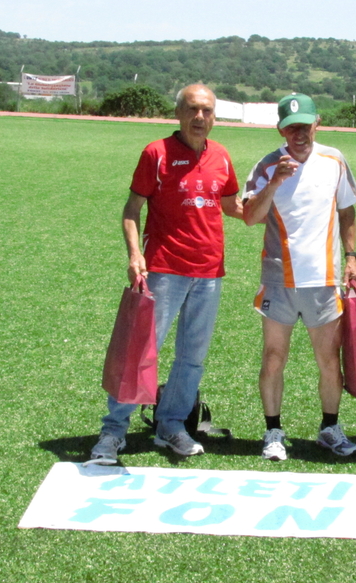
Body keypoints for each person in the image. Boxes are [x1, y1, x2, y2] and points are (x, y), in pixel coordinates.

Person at [89, 83, 243, 463]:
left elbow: (233, 207)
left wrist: (275, 190)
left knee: (192, 357)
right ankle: (113, 432)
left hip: (209, 273)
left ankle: (171, 424)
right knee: (142, 353)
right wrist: (133, 254)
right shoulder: (155, 153)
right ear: (178, 113)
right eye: (192, 109)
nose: (200, 118)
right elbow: (131, 209)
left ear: (215, 117)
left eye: (207, 111)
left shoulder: (222, 156)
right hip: (164, 270)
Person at [242, 93, 356, 461]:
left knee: (329, 359)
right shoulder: (267, 165)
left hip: (324, 279)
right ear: (281, 129)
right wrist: (274, 182)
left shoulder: (334, 159)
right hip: (279, 278)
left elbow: (347, 210)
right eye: (291, 127)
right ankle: (273, 432)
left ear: (317, 123)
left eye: (305, 125)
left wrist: (352, 256)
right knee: (274, 356)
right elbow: (249, 216)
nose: (299, 134)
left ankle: (329, 428)